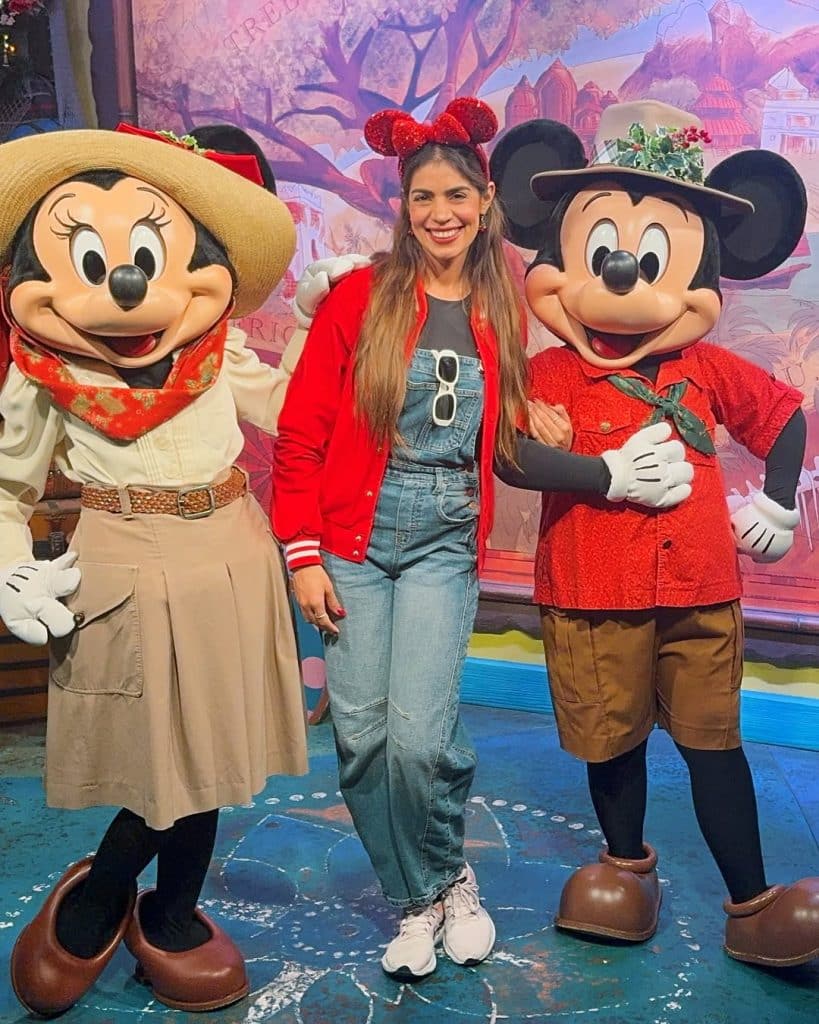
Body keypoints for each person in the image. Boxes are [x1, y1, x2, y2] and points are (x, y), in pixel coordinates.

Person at [271, 97, 693, 980]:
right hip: (353, 536)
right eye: (423, 197)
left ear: (484, 198)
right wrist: (302, 554)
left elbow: (499, 439)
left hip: (441, 539)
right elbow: (302, 434)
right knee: (361, 740)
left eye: (457, 195)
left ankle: (440, 888)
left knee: (421, 740)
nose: (441, 214)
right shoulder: (359, 297)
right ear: (404, 205)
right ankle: (424, 895)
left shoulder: (502, 308)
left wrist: (546, 426)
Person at [489, 100, 819, 966]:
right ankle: (624, 866)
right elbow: (512, 453)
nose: (626, 276)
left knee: (716, 744)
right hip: (592, 589)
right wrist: (602, 476)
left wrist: (780, 502)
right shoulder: (549, 370)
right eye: (600, 253)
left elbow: (782, 417)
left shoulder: (705, 366)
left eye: (654, 257)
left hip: (701, 591)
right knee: (612, 737)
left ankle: (749, 903)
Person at [0, 122, 308, 1015]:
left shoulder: (219, 352)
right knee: (148, 761)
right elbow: (7, 482)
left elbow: (294, 411)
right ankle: (105, 892)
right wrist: (10, 565)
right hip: (120, 558)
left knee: (208, 752)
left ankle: (169, 908)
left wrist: (326, 329)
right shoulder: (40, 373)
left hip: (226, 552)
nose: (127, 282)